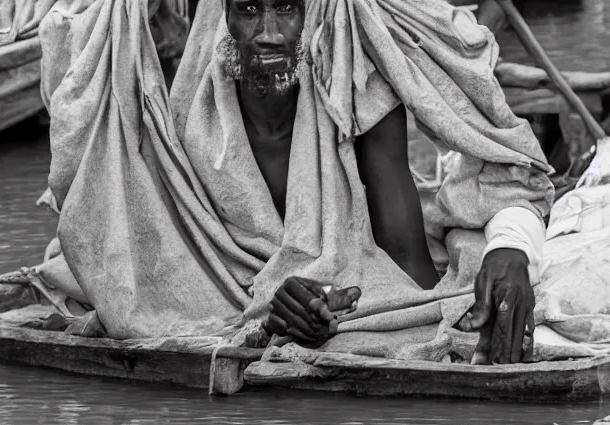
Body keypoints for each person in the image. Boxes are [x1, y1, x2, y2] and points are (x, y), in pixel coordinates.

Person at [219, 0, 544, 364]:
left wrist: (324, 300)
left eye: (285, 8)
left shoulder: (361, 108)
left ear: (310, 12)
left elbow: (411, 280)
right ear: (224, 14)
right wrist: (270, 318)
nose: (269, 34)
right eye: (247, 10)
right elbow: (192, 280)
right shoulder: (189, 130)